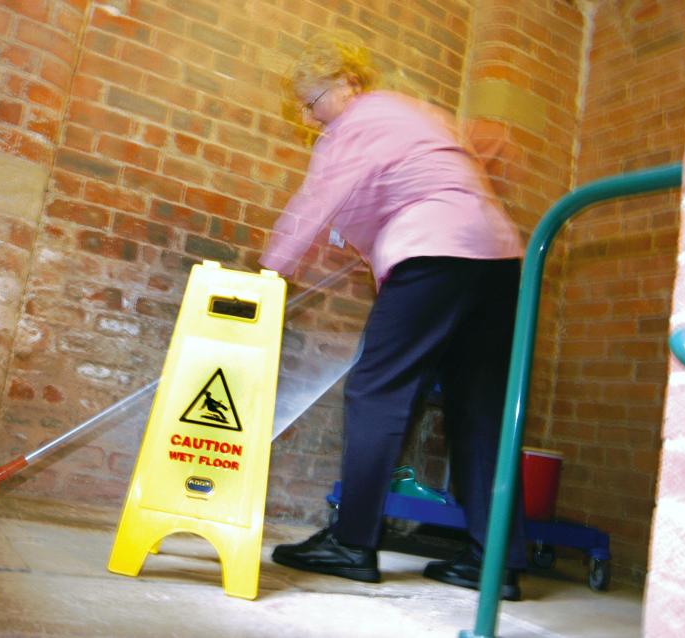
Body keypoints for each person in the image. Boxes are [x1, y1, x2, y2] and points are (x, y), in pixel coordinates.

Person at [260, 31, 527, 601]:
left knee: (377, 390)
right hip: (499, 261)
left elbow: (319, 196)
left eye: (312, 103)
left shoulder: (356, 120)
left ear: (347, 84)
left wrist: (270, 270)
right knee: (479, 406)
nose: (311, 120)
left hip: (435, 252)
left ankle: (352, 542)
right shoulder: (413, 115)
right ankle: (494, 559)